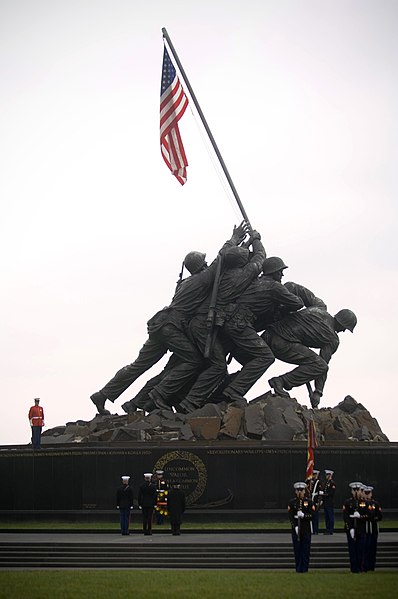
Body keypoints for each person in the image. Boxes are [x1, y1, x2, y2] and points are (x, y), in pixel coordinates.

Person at [90, 223, 248, 415]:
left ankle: (103, 394)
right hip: (171, 327)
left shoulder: (183, 283)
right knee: (193, 361)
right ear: (201, 266)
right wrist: (234, 238)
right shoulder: (202, 279)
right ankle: (158, 394)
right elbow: (221, 259)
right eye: (205, 263)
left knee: (138, 365)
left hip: (160, 324)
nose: (207, 265)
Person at [264, 307, 357, 408]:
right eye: (345, 328)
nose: (343, 331)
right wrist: (318, 392)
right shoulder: (332, 339)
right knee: (320, 366)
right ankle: (281, 381)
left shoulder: (318, 310)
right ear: (341, 323)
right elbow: (322, 366)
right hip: (282, 343)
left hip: (268, 334)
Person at [288, 481, 315, 573]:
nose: (300, 492)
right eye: (298, 490)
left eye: (301, 490)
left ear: (304, 491)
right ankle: (298, 568)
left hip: (306, 528)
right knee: (297, 549)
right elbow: (291, 517)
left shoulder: (309, 502)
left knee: (305, 549)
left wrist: (304, 515)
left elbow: (313, 515)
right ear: (295, 491)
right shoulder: (292, 503)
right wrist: (294, 526)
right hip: (296, 529)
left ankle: (305, 568)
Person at [342, 482, 369, 573]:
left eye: (358, 490)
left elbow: (369, 515)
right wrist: (350, 528)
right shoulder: (348, 502)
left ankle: (360, 567)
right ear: (352, 491)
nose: (356, 492)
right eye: (354, 490)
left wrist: (360, 516)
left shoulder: (365, 503)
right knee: (352, 550)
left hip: (361, 529)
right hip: (351, 529)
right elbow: (345, 517)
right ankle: (353, 568)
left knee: (361, 549)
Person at [364, 485, 382, 571]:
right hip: (366, 529)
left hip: (374, 529)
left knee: (373, 549)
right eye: (366, 493)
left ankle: (372, 566)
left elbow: (379, 516)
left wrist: (373, 518)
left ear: (371, 494)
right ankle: (366, 566)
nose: (367, 495)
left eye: (369, 493)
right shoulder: (362, 503)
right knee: (366, 548)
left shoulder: (376, 504)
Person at [320, 469, 336, 534]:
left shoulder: (332, 483)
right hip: (326, 502)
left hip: (329, 502)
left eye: (327, 475)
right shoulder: (326, 483)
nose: (326, 476)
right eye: (326, 475)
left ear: (330, 475)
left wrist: (324, 494)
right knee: (327, 517)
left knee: (330, 516)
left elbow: (331, 493)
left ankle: (330, 529)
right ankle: (327, 529)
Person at [307, 470, 321, 534]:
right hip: (310, 500)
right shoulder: (310, 482)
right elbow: (306, 487)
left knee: (315, 516)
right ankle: (310, 529)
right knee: (309, 515)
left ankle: (315, 530)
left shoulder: (318, 482)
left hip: (315, 500)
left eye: (315, 474)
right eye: (313, 474)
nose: (313, 476)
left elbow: (320, 493)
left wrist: (319, 501)